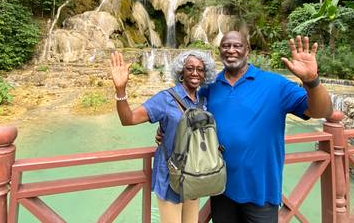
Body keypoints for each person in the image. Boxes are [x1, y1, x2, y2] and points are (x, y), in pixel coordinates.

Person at [198, 31, 333, 223]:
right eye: (226, 46)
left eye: (237, 46)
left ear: (248, 50)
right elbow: (190, 116)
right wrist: (165, 131)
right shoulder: (210, 86)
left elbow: (322, 111)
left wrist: (312, 80)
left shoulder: (274, 84)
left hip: (261, 191)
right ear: (219, 51)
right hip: (220, 188)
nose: (231, 50)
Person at [110, 50, 216, 223]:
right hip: (170, 176)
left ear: (205, 74)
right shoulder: (165, 99)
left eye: (200, 69)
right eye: (190, 68)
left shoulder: (203, 102)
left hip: (195, 175)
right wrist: (120, 89)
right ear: (181, 72)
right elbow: (128, 119)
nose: (195, 73)